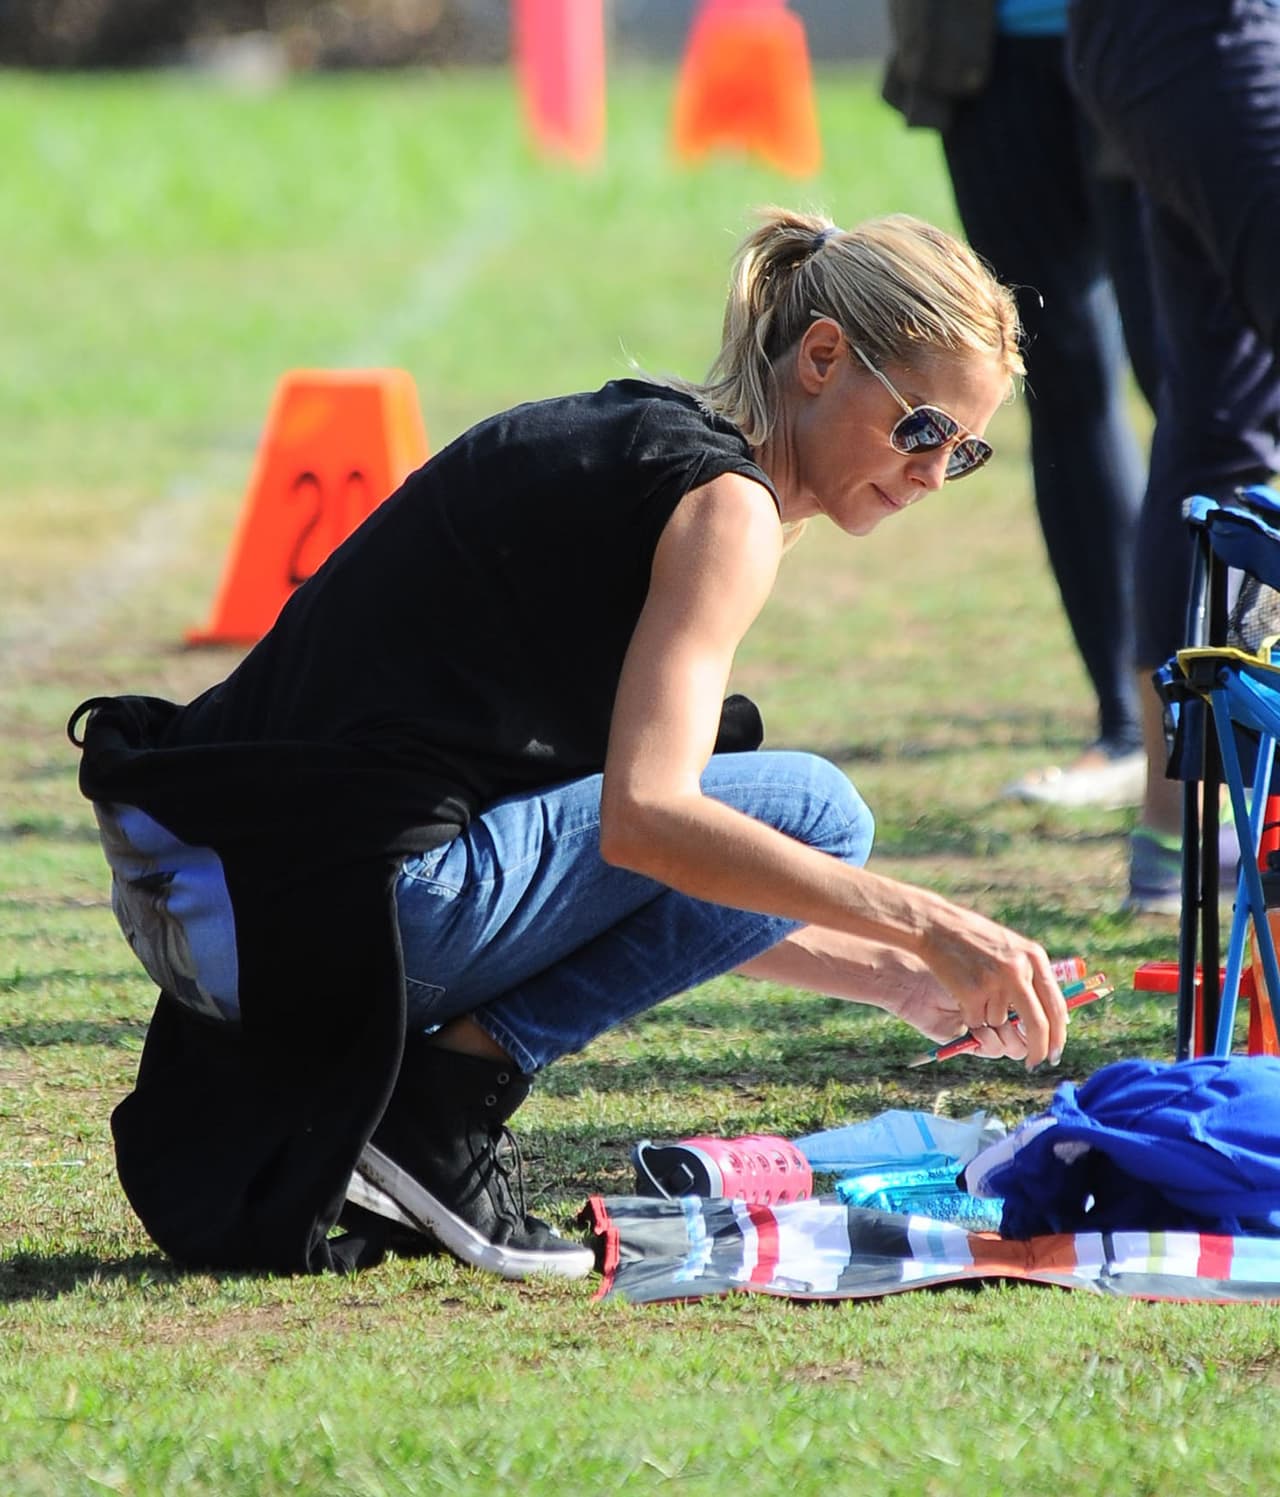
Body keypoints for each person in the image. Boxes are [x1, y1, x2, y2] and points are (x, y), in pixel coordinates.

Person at [69, 208, 1070, 1282]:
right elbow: (648, 826)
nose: (931, 474)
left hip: (228, 905)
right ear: (821, 358)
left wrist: (893, 978)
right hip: (318, 910)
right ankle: (437, 1111)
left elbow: (619, 881)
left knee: (753, 811)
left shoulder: (640, 442)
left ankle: (416, 1113)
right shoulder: (725, 510)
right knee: (816, 812)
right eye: (922, 428)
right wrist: (933, 924)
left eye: (965, 452)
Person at [882, 0, 1159, 811]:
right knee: (1062, 377)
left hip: (1161, 43)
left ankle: (1224, 706)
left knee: (1195, 384)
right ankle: (1129, 723)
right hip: (987, 47)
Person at [1068, 0, 1280, 912]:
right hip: (1202, 34)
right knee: (1218, 427)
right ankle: (1184, 825)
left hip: (1177, 44)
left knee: (1219, 425)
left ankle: (1183, 830)